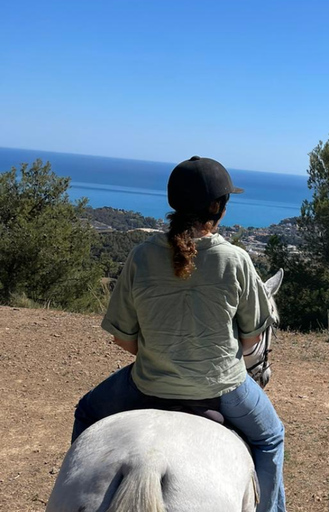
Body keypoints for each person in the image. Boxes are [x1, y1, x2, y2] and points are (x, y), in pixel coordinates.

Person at [71, 156, 286, 512]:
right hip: (223, 387)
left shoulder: (141, 256)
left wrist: (163, 353)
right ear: (217, 208)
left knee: (86, 411)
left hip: (148, 382)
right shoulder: (236, 260)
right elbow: (250, 342)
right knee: (271, 438)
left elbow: (124, 339)